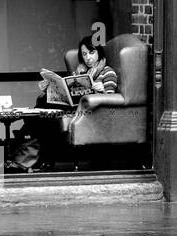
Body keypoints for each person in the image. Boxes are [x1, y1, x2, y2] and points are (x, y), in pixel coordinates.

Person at [11, 35, 118, 172]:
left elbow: (110, 99)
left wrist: (101, 90)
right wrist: (53, 89)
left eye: (92, 53)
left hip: (90, 113)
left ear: (99, 52)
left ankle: (27, 131)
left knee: (43, 110)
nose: (88, 58)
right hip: (75, 108)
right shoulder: (81, 71)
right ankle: (36, 150)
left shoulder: (107, 72)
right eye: (84, 54)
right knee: (45, 104)